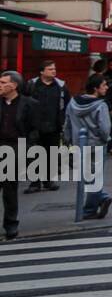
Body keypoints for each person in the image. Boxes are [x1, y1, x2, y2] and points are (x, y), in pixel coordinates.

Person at [65, 74, 112, 220]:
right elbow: (105, 128)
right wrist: (106, 140)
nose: (106, 87)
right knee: (95, 177)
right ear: (95, 88)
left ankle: (100, 198)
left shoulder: (73, 102)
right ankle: (92, 207)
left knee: (86, 176)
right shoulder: (101, 105)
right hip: (96, 145)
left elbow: (67, 123)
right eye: (104, 85)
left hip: (78, 144)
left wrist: (68, 140)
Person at [22, 60, 69, 192]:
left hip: (54, 126)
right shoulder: (32, 85)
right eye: (50, 69)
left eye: (54, 69)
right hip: (34, 126)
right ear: (42, 71)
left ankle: (48, 181)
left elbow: (67, 103)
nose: (53, 71)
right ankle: (35, 183)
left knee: (51, 155)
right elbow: (24, 102)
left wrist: (63, 120)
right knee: (34, 155)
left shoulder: (60, 86)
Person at [0, 70, 35, 240]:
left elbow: (34, 130)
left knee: (9, 190)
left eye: (3, 82)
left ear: (14, 85)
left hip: (15, 148)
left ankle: (11, 224)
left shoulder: (28, 104)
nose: (0, 85)